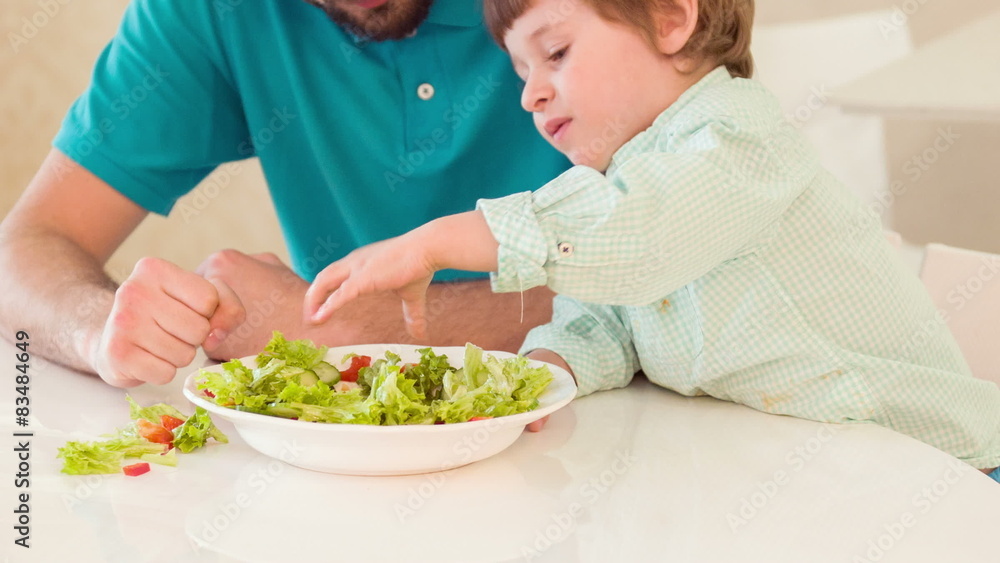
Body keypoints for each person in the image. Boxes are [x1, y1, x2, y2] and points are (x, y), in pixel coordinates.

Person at [303, 0, 1000, 481]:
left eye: (555, 53)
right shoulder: (636, 171)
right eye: (521, 73)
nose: (530, 95)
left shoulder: (735, 137)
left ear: (670, 18)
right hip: (815, 472)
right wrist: (544, 369)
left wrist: (438, 241)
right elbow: (611, 312)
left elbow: (637, 237)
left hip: (947, 474)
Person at [0, 0, 569, 390]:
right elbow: (26, 246)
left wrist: (361, 331)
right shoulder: (211, 15)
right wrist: (99, 328)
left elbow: (660, 290)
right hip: (342, 451)